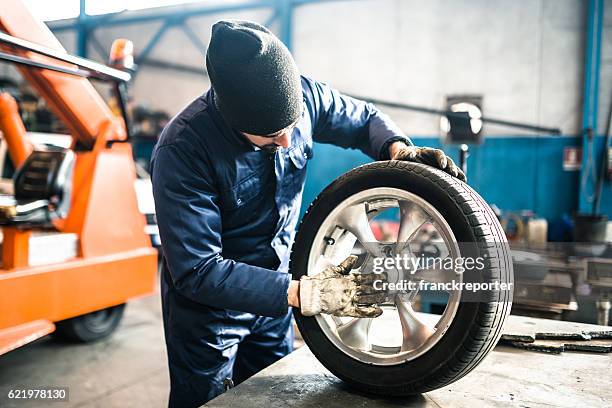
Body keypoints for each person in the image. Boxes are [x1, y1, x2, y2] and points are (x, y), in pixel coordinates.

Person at [151, 19, 465, 408]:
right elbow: (196, 270)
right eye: (270, 135)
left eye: (292, 124)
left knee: (277, 398)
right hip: (211, 316)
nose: (286, 140)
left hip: (280, 298)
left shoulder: (303, 95)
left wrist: (397, 149)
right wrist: (305, 292)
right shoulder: (183, 150)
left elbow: (365, 120)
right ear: (232, 120)